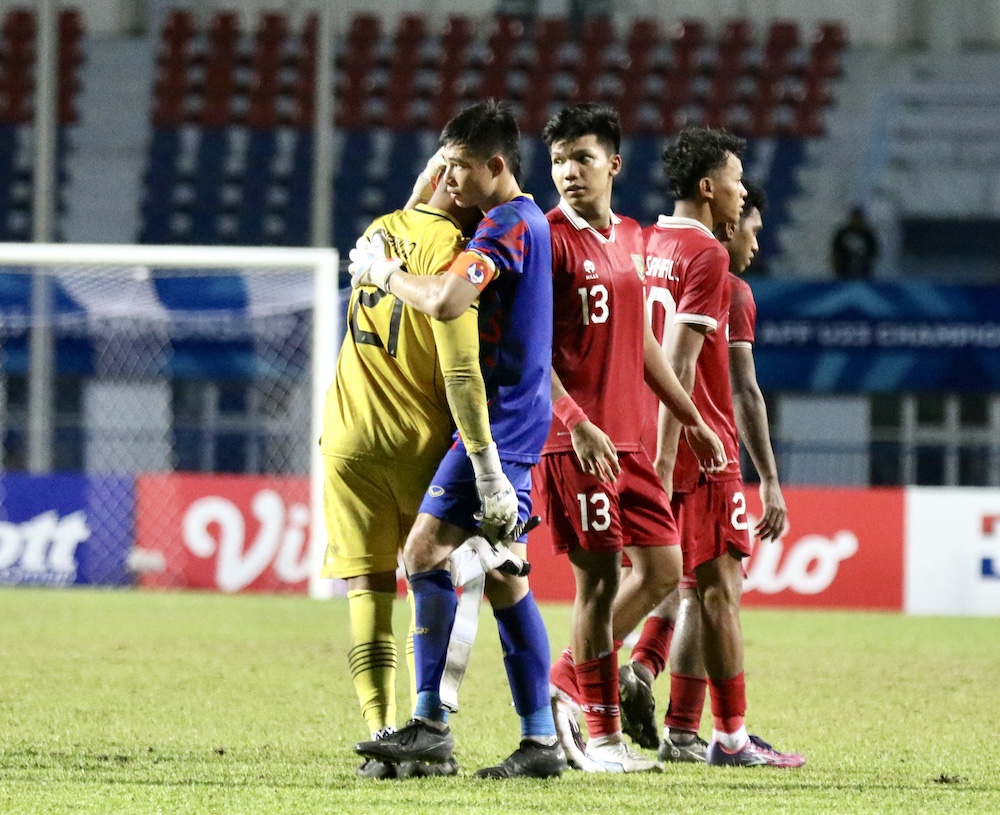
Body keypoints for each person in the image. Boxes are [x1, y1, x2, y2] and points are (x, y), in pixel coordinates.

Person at [353, 100, 567, 779]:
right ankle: (540, 740)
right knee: (505, 577)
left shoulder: (506, 228)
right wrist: (429, 182)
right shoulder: (517, 218)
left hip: (497, 428)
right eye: (443, 168)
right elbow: (427, 210)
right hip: (521, 423)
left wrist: (382, 273)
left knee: (421, 551)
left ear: (495, 167)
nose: (449, 182)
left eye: (459, 169)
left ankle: (430, 724)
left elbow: (446, 300)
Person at [535, 103, 726, 774]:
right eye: (558, 160)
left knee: (665, 571)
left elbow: (643, 343)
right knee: (594, 587)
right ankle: (603, 737)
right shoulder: (546, 239)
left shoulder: (628, 238)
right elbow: (532, 357)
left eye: (581, 158)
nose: (567, 171)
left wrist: (693, 419)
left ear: (613, 163)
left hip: (633, 440)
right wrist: (575, 423)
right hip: (578, 441)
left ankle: (564, 679)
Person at [321, 180, 508, 779]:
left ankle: (379, 733)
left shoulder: (377, 231)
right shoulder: (457, 249)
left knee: (367, 593)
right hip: (417, 441)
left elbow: (415, 209)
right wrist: (484, 463)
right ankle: (425, 728)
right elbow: (459, 370)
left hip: (346, 437)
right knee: (432, 576)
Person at [641, 127, 804, 768]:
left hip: (646, 435)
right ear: (713, 196)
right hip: (699, 448)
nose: (754, 239)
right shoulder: (721, 276)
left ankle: (676, 722)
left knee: (682, 588)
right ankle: (727, 734)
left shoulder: (646, 245)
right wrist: (770, 478)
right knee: (717, 593)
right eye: (748, 219)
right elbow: (743, 392)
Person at [830, 205, 879, 280]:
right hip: (843, 271)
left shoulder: (868, 234)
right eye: (855, 218)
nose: (857, 221)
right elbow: (835, 251)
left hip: (863, 271)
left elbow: (874, 251)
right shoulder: (843, 233)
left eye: (859, 218)